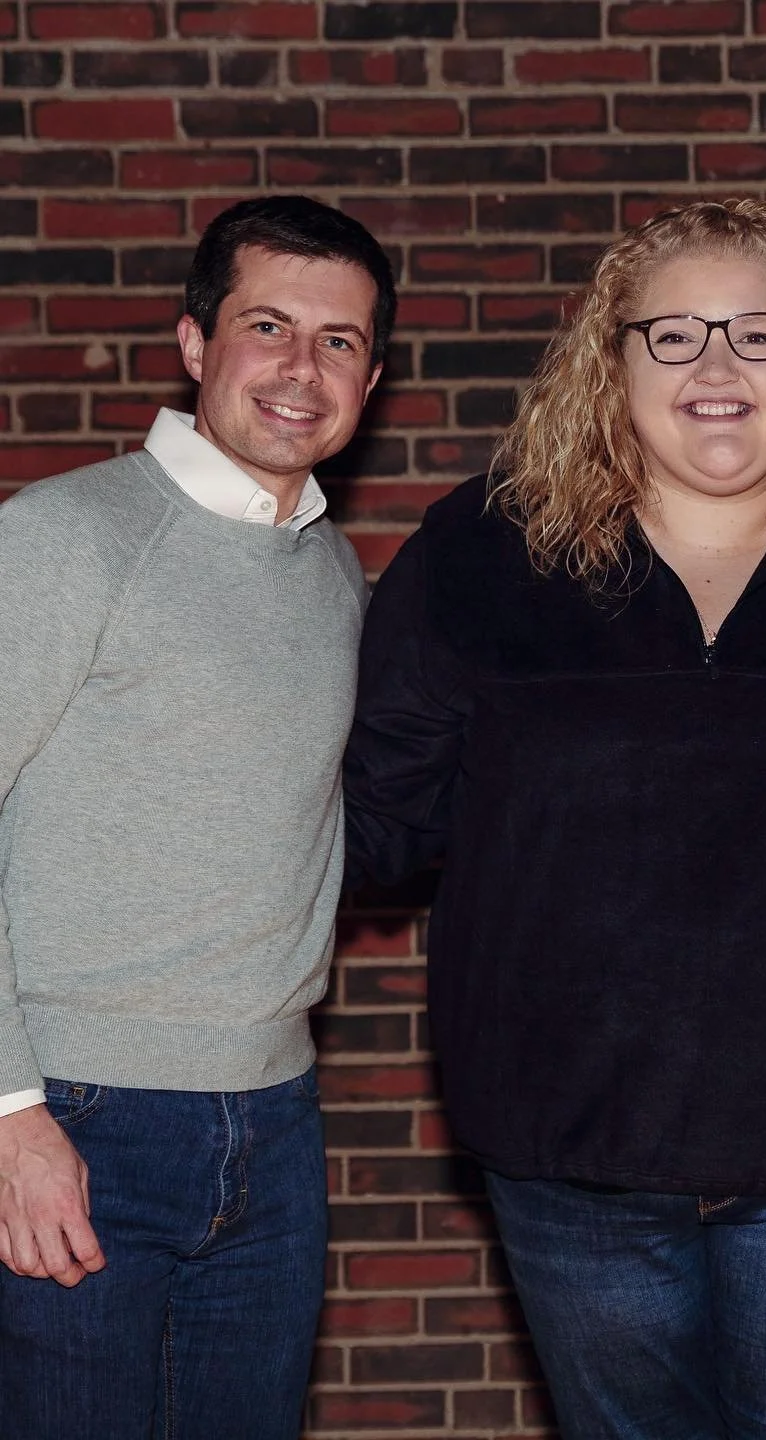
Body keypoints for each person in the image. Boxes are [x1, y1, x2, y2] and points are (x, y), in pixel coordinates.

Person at [344, 197, 766, 1440]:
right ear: (614, 358)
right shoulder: (486, 552)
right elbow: (378, 819)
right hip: (572, 1149)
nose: (716, 368)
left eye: (759, 333)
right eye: (674, 334)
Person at [0, 195, 393, 1439]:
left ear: (372, 377)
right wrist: (8, 1119)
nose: (301, 368)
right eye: (268, 325)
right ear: (192, 342)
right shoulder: (66, 537)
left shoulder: (332, 574)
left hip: (273, 1123)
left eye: (340, 342)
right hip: (75, 1114)